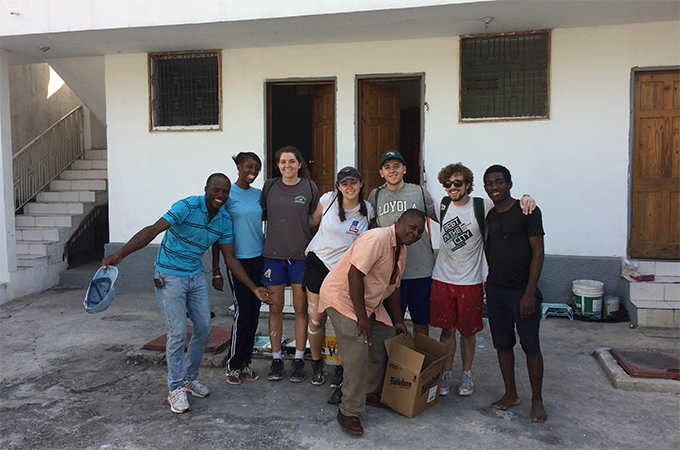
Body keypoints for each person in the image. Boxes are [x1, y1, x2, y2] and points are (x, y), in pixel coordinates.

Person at [102, 173, 271, 414]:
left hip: (195, 275)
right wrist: (120, 254)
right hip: (169, 275)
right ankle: (175, 387)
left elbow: (230, 257)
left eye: (225, 191)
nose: (220, 195)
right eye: (216, 190)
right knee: (178, 332)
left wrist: (253, 287)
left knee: (204, 328)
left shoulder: (224, 219)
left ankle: (190, 379)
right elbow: (152, 230)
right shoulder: (186, 206)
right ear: (206, 188)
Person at [431, 163, 535, 397]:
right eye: (448, 184)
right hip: (442, 278)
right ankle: (446, 373)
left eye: (458, 183)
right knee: (447, 332)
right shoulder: (441, 204)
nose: (453, 187)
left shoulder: (482, 205)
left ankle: (466, 374)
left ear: (468, 184)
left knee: (468, 332)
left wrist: (527, 197)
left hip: (471, 280)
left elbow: (509, 204)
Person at [319, 209, 425, 436]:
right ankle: (349, 410)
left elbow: (393, 289)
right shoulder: (376, 239)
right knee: (358, 345)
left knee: (385, 338)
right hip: (342, 298)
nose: (415, 233)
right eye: (412, 227)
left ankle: (368, 392)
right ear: (399, 222)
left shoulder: (402, 251)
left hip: (367, 304)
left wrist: (398, 321)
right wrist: (362, 319)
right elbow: (353, 276)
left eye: (420, 232)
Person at [482, 164, 546, 423]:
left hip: (522, 291)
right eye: (489, 183)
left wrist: (529, 292)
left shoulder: (527, 210)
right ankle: (511, 394)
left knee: (531, 347)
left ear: (509, 183)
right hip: (496, 290)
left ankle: (537, 400)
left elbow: (538, 252)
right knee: (502, 345)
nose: (494, 187)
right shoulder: (488, 215)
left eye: (499, 182)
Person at [305, 167, 375, 389]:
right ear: (338, 186)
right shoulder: (328, 200)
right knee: (316, 319)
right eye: (344, 183)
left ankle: (340, 369)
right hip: (318, 264)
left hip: (345, 272)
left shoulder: (368, 210)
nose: (349, 187)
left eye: (353, 182)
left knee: (344, 324)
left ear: (361, 184)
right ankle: (316, 363)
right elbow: (311, 222)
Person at [261, 146, 320, 383]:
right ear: (278, 165)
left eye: (292, 161)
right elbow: (263, 214)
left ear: (299, 163)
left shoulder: (309, 187)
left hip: (301, 257)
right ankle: (276, 358)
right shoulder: (269, 187)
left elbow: (315, 220)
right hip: (273, 256)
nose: (288, 165)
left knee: (300, 308)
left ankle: (298, 358)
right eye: (283, 162)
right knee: (274, 308)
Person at [368, 150, 437, 338]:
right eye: (387, 167)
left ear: (404, 169)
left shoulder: (420, 192)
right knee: (390, 324)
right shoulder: (375, 196)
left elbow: (443, 215)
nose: (392, 171)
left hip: (420, 270)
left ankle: (420, 363)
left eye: (396, 166)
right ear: (381, 172)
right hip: (389, 273)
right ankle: (396, 364)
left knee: (421, 322)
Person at [211, 152, 266, 385]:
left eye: (257, 167)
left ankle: (245, 363)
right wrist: (216, 269)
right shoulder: (227, 195)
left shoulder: (259, 195)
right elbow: (216, 234)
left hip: (260, 258)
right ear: (238, 166)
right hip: (237, 261)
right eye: (248, 166)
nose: (252, 171)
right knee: (243, 311)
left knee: (254, 312)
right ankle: (233, 364)